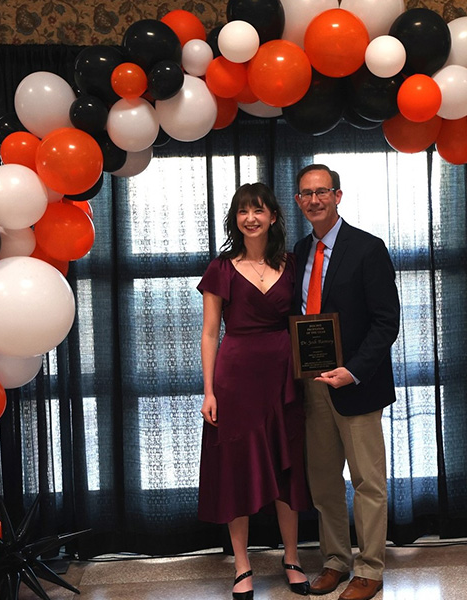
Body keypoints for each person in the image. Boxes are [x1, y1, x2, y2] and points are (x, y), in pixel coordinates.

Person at [197, 183, 312, 600]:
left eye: (259, 210)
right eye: (244, 211)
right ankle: (242, 565)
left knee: (288, 467)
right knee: (236, 469)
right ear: (236, 219)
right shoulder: (221, 268)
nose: (251, 218)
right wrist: (209, 391)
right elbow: (211, 333)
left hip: (285, 377)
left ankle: (293, 557)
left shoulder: (294, 263)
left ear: (274, 217)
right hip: (236, 378)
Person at [292, 165, 400, 600]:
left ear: (338, 196)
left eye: (322, 192)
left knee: (367, 483)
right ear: (298, 201)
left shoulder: (368, 248)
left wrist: (353, 370)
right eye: (306, 194)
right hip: (312, 385)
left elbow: (386, 322)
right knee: (323, 481)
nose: (314, 200)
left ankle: (370, 570)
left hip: (356, 384)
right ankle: (336, 561)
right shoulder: (299, 251)